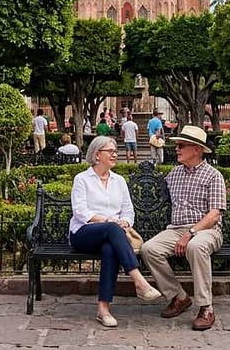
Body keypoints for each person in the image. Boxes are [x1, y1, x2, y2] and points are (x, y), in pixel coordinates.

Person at [68, 136, 162, 327]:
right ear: (96, 155)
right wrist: (110, 220)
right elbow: (80, 212)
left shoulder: (119, 181)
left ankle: (103, 309)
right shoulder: (82, 179)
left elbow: (128, 210)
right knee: (112, 229)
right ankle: (139, 281)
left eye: (114, 151)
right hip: (83, 233)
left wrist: (125, 223)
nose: (114, 154)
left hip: (113, 234)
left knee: (110, 249)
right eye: (109, 151)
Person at [140, 125, 225, 331]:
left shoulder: (213, 176)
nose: (176, 149)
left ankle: (206, 307)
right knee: (149, 249)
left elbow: (214, 214)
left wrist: (191, 233)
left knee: (195, 247)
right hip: (175, 229)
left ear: (196, 149)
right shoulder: (174, 174)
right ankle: (179, 297)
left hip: (206, 230)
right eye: (176, 145)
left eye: (181, 145)